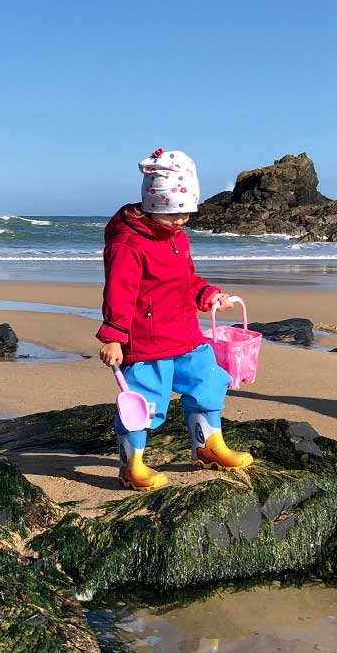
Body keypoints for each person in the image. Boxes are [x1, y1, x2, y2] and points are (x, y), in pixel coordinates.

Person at [97, 148, 254, 491]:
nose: (180, 221)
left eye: (186, 213)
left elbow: (187, 280)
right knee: (143, 402)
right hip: (147, 340)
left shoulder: (178, 239)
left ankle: (209, 446)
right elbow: (119, 293)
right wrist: (114, 336)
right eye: (172, 214)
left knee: (208, 382)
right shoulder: (128, 243)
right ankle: (132, 465)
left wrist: (207, 295)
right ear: (153, 206)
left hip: (185, 335)